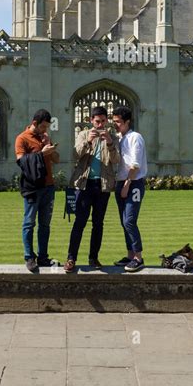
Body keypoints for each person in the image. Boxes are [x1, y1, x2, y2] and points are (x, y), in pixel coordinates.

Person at [64, 106, 120, 273]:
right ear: (91, 121)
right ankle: (71, 258)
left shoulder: (113, 137)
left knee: (98, 223)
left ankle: (93, 257)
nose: (100, 124)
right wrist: (88, 141)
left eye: (103, 121)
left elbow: (116, 159)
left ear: (107, 121)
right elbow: (75, 155)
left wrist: (109, 143)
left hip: (103, 185)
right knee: (79, 222)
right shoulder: (82, 134)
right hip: (84, 184)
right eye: (97, 121)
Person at [15, 109, 60, 273]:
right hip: (33, 188)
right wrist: (41, 154)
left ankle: (43, 256)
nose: (45, 130)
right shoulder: (22, 139)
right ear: (34, 123)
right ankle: (29, 257)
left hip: (49, 187)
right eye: (43, 127)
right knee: (29, 223)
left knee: (45, 224)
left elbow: (57, 160)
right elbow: (21, 162)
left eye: (47, 127)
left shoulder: (45, 137)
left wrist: (50, 147)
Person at [112, 105, 147, 272]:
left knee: (129, 221)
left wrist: (126, 185)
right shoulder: (120, 137)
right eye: (114, 121)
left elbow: (135, 165)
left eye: (118, 122)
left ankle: (139, 258)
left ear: (127, 122)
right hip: (121, 182)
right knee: (124, 222)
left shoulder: (135, 138)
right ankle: (130, 255)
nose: (115, 125)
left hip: (133, 183)